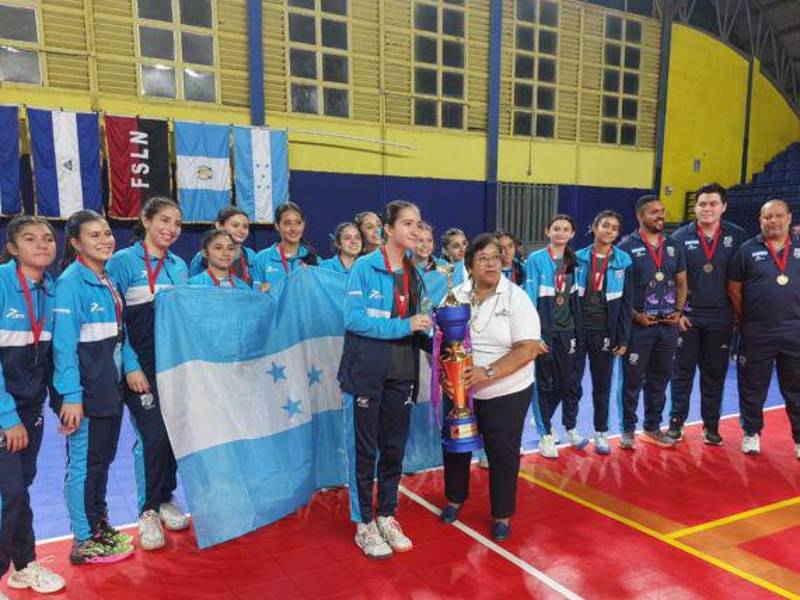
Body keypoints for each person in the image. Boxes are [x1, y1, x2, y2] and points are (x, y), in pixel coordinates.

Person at [338, 200, 433, 560]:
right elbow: (353, 319)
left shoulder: (415, 274)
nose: (415, 230)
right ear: (388, 229)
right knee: (365, 451)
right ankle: (363, 523)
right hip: (365, 375)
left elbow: (421, 326)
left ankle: (387, 516)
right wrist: (403, 326)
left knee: (394, 449)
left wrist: (448, 340)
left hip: (402, 374)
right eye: (408, 223)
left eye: (419, 224)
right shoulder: (365, 266)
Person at [438, 234, 539, 541]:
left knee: (502, 454)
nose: (492, 263)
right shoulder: (454, 296)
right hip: (460, 390)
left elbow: (528, 349)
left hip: (506, 391)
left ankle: (502, 515)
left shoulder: (516, 297)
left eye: (496, 257)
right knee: (455, 450)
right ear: (469, 265)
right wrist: (447, 372)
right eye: (483, 258)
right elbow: (442, 342)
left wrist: (488, 372)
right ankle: (455, 499)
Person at [106, 197, 191, 551]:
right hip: (140, 369)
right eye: (164, 221)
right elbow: (115, 321)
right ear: (146, 220)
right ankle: (148, 511)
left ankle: (166, 497)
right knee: (153, 436)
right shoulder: (122, 263)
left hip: (174, 368)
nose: (171, 229)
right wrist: (131, 365)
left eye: (177, 223)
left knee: (173, 437)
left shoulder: (179, 266)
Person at [52, 210, 135, 565]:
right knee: (85, 464)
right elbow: (63, 346)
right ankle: (83, 540)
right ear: (75, 243)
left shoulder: (105, 278)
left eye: (106, 233)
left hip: (108, 389)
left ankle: (100, 525)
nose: (105, 240)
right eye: (94, 235)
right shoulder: (72, 283)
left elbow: (119, 335)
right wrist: (71, 397)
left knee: (101, 461)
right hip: (85, 394)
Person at [0, 217, 65, 594]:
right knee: (10, 493)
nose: (42, 244)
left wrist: (60, 402)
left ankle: (23, 565)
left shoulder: (51, 290)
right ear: (12, 248)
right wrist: (7, 417)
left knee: (20, 489)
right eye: (29, 238)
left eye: (47, 238)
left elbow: (50, 357)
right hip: (5, 412)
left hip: (30, 409)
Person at [668, 183, 747, 444]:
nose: (707, 209)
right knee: (682, 373)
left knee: (715, 374)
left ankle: (711, 426)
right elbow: (670, 280)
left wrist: (738, 314)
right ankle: (676, 423)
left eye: (713, 203)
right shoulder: (679, 237)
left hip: (721, 318)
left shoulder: (737, 237)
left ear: (723, 206)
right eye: (702, 204)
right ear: (696, 207)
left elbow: (742, 280)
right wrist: (676, 313)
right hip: (688, 317)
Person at [727, 199, 800, 459]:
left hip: (795, 331)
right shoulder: (747, 250)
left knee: (796, 387)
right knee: (752, 386)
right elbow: (734, 288)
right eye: (767, 217)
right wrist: (747, 316)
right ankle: (751, 433)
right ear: (760, 220)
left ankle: (799, 439)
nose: (773, 221)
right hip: (757, 330)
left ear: (789, 218)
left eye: (778, 216)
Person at [618, 195, 687, 449]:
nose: (660, 216)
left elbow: (681, 282)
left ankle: (652, 426)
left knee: (660, 378)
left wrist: (679, 311)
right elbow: (621, 291)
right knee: (632, 379)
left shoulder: (674, 246)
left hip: (667, 327)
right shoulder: (626, 247)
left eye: (662, 211)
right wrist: (635, 315)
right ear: (640, 216)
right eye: (653, 212)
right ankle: (627, 428)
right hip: (639, 327)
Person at [525, 214, 587, 458]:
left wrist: (577, 330)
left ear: (572, 234)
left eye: (566, 229)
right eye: (556, 228)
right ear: (547, 231)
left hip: (567, 330)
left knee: (566, 382)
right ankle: (545, 435)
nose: (561, 233)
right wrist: (532, 334)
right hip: (543, 331)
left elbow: (573, 298)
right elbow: (530, 297)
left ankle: (547, 418)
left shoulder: (574, 260)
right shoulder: (536, 259)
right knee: (542, 383)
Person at [575, 210, 633, 455]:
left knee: (602, 385)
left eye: (614, 228)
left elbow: (627, 304)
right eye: (605, 225)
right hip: (578, 331)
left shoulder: (624, 261)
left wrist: (622, 337)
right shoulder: (576, 258)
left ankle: (600, 432)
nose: (609, 231)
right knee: (570, 383)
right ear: (594, 227)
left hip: (605, 333)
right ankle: (570, 428)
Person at [188, 207, 260, 289]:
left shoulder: (251, 255)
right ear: (219, 225)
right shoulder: (201, 258)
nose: (241, 230)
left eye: (245, 227)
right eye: (235, 225)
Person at [255, 202, 318, 292]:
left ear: (303, 225)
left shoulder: (314, 259)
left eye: (298, 223)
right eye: (288, 223)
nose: (294, 229)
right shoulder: (262, 259)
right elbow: (255, 298)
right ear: (277, 226)